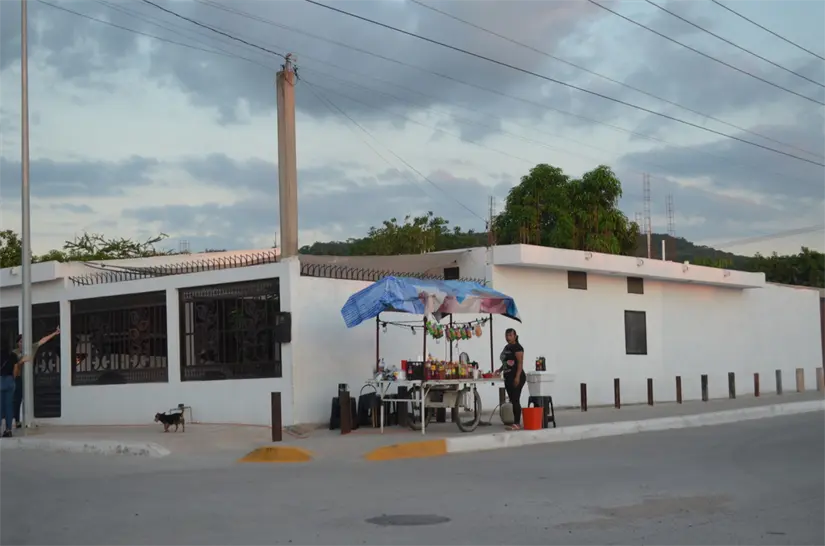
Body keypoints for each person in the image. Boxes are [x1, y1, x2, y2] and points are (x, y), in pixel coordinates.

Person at [13, 327, 60, 429]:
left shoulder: (31, 348)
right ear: (18, 343)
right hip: (18, 379)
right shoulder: (14, 353)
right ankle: (16, 421)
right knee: (17, 400)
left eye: (24, 342)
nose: (23, 344)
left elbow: (42, 341)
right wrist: (21, 361)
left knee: (31, 398)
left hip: (30, 378)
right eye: (21, 342)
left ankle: (31, 419)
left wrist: (54, 333)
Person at [498, 327, 525, 431]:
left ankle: (517, 423)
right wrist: (499, 370)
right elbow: (506, 361)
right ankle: (515, 422)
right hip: (508, 376)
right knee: (512, 400)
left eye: (510, 335)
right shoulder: (507, 348)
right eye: (506, 335)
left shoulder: (518, 348)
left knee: (515, 399)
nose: (508, 337)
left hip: (516, 376)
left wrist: (517, 377)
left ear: (515, 336)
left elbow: (520, 363)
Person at [0, 344, 20, 437]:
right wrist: (12, 379)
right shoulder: (13, 355)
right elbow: (15, 370)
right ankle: (8, 430)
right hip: (9, 380)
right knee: (9, 406)